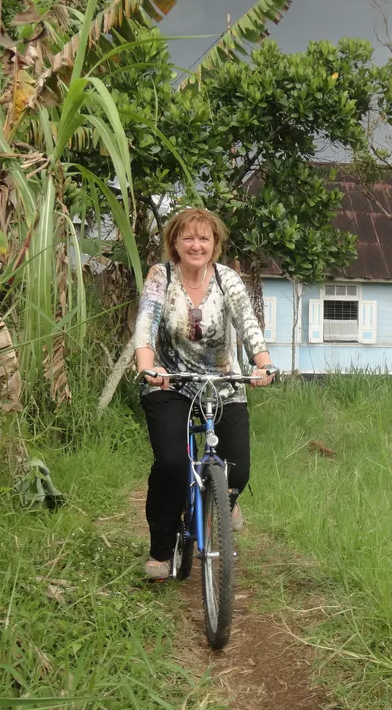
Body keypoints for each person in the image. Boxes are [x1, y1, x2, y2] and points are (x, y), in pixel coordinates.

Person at [133, 207, 275, 581]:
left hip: (224, 382)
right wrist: (149, 366)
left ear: (215, 245)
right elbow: (145, 324)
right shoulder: (160, 277)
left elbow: (247, 323)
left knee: (237, 470)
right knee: (171, 466)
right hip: (170, 381)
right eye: (188, 238)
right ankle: (162, 552)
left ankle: (223, 504)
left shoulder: (227, 278)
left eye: (204, 238)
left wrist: (262, 363)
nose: (196, 245)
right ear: (175, 243)